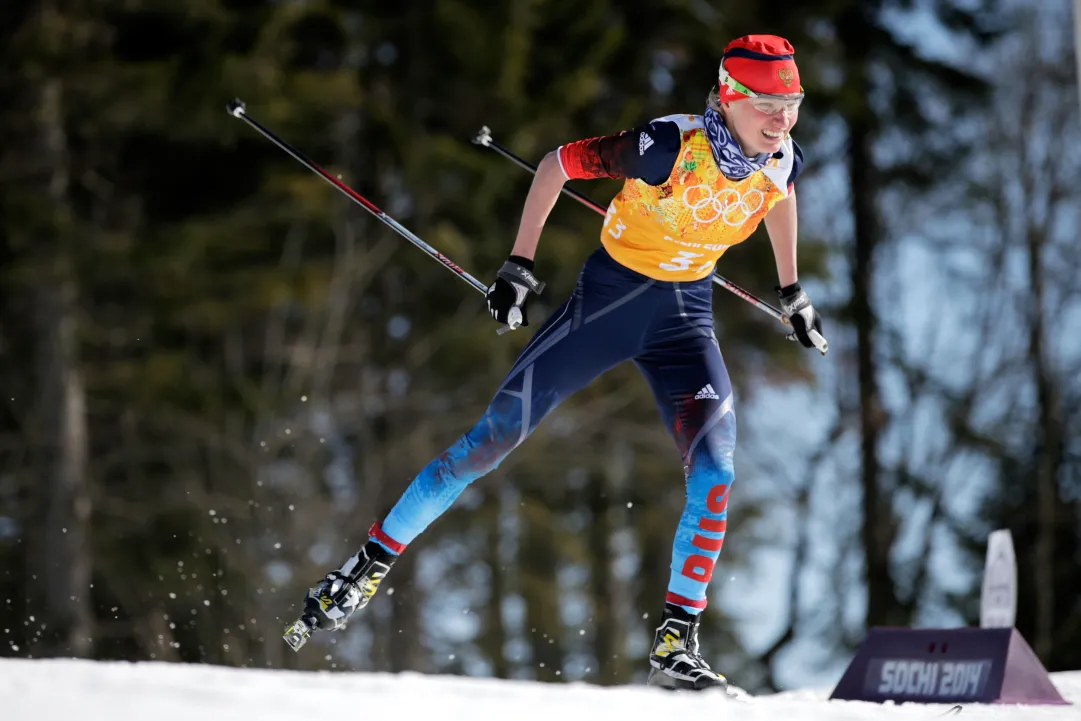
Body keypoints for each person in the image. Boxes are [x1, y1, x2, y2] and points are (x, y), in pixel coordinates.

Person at [293, 34, 824, 692]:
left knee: (715, 471)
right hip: (607, 304)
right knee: (492, 438)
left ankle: (674, 643)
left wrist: (791, 291)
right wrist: (518, 265)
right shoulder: (667, 145)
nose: (782, 118)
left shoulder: (781, 159)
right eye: (768, 103)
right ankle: (365, 563)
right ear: (728, 95)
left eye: (792, 102)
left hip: (685, 322)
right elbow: (556, 165)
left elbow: (781, 198)